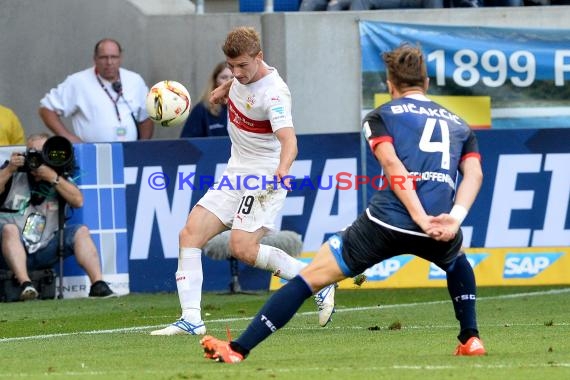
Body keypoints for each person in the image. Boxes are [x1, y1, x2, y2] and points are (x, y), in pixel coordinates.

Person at [199, 43, 486, 363]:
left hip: (386, 222)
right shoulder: (459, 124)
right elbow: (473, 173)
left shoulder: (381, 116)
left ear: (390, 84)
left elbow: (393, 167)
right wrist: (454, 218)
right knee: (456, 259)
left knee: (312, 278)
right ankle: (471, 338)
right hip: (441, 222)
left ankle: (238, 349)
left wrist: (418, 217)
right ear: (427, 83)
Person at [150, 26, 335, 336]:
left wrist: (283, 169)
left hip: (264, 176)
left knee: (243, 249)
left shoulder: (274, 94)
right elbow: (236, 85)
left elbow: (290, 141)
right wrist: (223, 90)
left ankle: (317, 280)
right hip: (234, 173)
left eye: (241, 66)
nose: (236, 72)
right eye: (230, 66)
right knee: (189, 234)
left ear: (259, 57)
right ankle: (191, 319)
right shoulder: (240, 75)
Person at [0, 133, 115, 300]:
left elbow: (78, 201)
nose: (38, 158)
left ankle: (98, 285)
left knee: (81, 231)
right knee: (9, 229)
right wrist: (10, 168)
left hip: (45, 248)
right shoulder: (13, 173)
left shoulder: (59, 176)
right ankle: (25, 284)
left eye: (43, 152)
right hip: (8, 250)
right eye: (33, 152)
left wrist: (53, 178)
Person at [38, 38, 153, 143]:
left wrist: (142, 146)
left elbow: (146, 116)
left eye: (114, 57)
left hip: (130, 153)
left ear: (120, 58)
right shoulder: (78, 81)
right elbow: (46, 108)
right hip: (93, 154)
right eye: (104, 57)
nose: (109, 62)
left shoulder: (134, 80)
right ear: (95, 59)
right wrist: (68, 137)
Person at [180, 62, 233, 138]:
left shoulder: (246, 106)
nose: (228, 81)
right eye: (224, 77)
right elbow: (187, 143)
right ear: (215, 81)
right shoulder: (202, 109)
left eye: (232, 78)